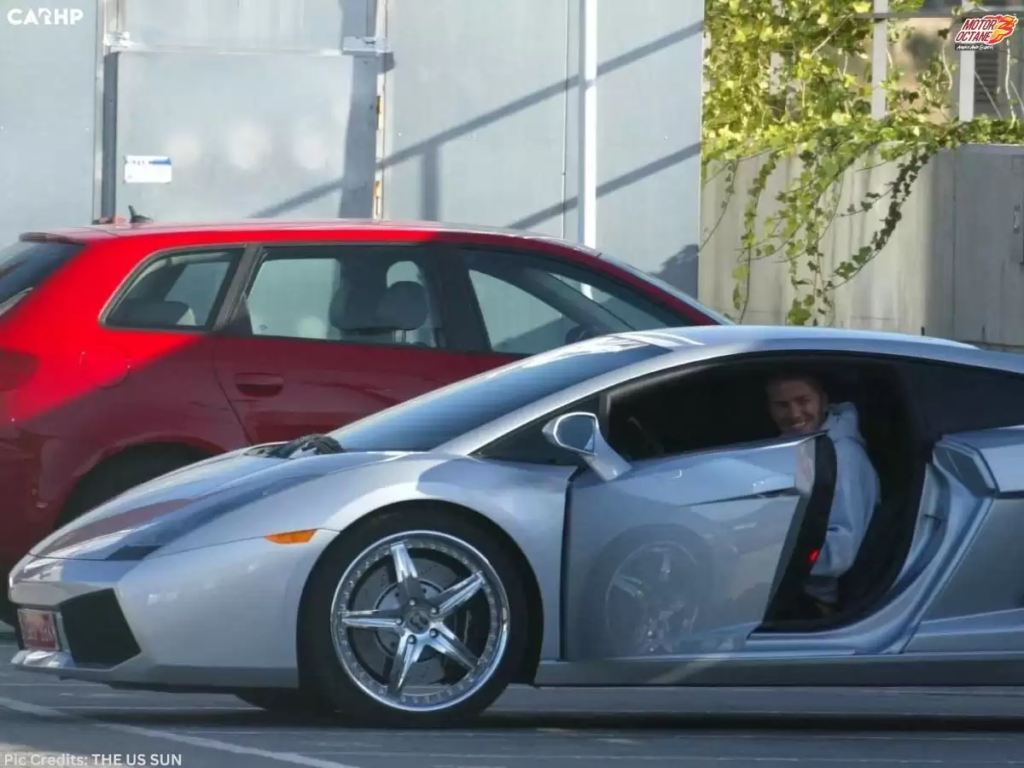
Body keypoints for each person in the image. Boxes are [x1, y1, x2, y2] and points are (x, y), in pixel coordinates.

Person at [765, 373, 881, 618]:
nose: (794, 414)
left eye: (803, 401)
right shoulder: (796, 446)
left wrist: (763, 559)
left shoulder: (842, 457)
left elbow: (840, 552)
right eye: (782, 405)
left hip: (813, 599)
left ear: (823, 402)